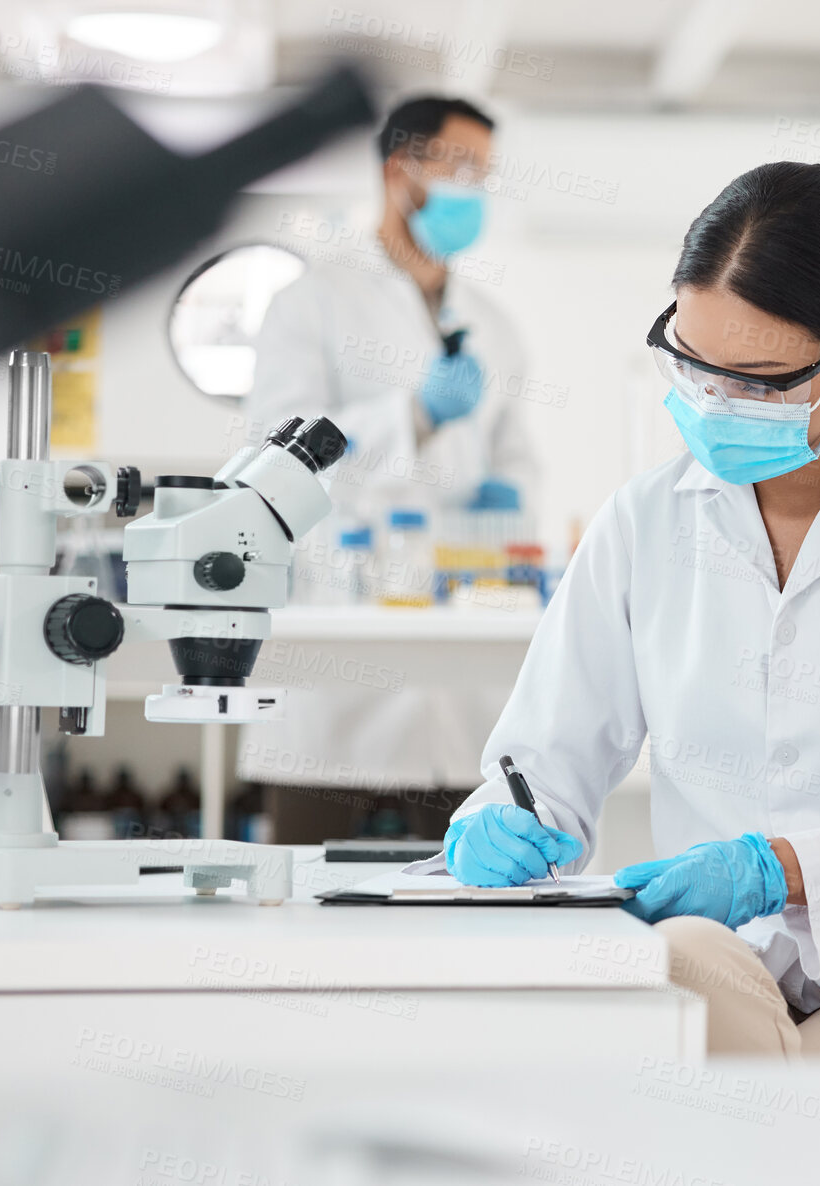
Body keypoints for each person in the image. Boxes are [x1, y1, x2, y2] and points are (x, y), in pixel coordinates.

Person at [443, 162, 820, 1167]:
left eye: (758, 381)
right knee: (678, 991)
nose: (716, 402)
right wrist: (500, 823)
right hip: (722, 972)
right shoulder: (644, 521)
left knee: (692, 1104)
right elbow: (540, 764)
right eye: (692, 365)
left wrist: (778, 868)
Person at [238, 96, 538, 830]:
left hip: (456, 675)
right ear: (400, 170)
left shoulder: (492, 323)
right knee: (310, 908)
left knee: (451, 905)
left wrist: (510, 498)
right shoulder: (312, 301)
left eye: (484, 174)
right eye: (459, 166)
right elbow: (275, 458)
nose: (474, 189)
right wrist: (413, 416)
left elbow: (517, 455)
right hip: (336, 670)